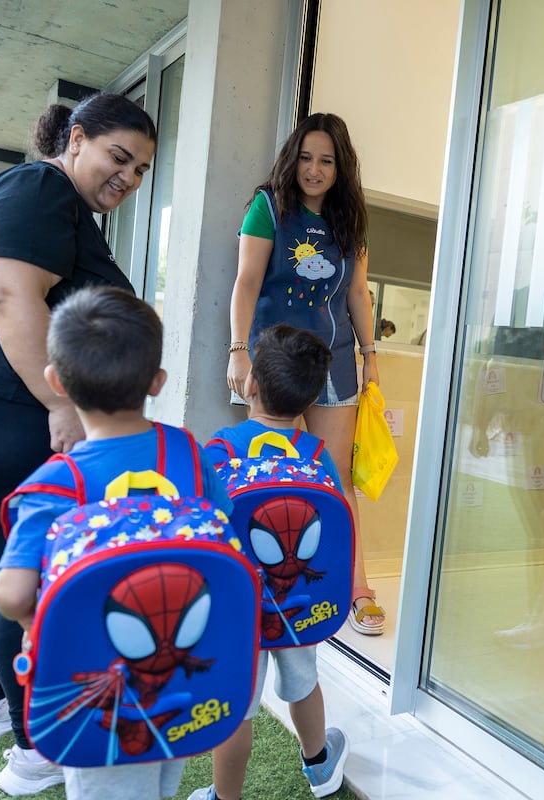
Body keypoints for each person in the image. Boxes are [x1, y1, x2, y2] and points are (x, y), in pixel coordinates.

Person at [0, 93, 157, 795]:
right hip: (8, 410)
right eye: (118, 157)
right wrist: (59, 405)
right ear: (78, 139)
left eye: (143, 169)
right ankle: (36, 749)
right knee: (31, 583)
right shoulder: (39, 187)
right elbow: (6, 293)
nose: (127, 177)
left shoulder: (64, 207)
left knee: (6, 556)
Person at [0, 285, 234, 800]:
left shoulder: (53, 486)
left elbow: (12, 594)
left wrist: (37, 623)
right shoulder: (190, 455)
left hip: (101, 689)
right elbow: (226, 539)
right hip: (183, 680)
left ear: (56, 381)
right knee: (159, 782)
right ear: (157, 381)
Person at [226, 112, 385, 636]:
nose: (314, 169)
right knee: (269, 472)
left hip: (335, 361)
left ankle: (356, 588)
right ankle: (266, 584)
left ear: (341, 168)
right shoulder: (267, 206)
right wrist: (238, 351)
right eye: (306, 157)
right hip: (275, 361)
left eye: (326, 160)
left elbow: (358, 293)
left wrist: (371, 354)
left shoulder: (351, 221)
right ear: (292, 158)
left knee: (337, 480)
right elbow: (247, 282)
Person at [194, 323, 349, 800]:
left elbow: (202, 526)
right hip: (298, 600)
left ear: (251, 384)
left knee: (237, 704)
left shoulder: (219, 449)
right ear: (308, 400)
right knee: (304, 684)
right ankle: (320, 766)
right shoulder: (317, 455)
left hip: (239, 609)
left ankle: (226, 797)